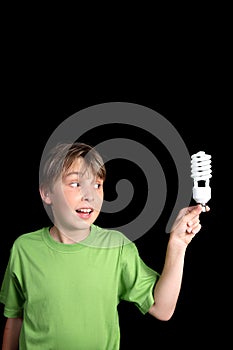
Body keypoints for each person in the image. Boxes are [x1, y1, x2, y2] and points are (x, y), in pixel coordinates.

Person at [0, 142, 209, 350]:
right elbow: (15, 317)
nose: (90, 195)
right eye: (75, 184)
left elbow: (162, 309)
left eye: (97, 185)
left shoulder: (116, 247)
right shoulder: (24, 249)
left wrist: (177, 244)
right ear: (46, 193)